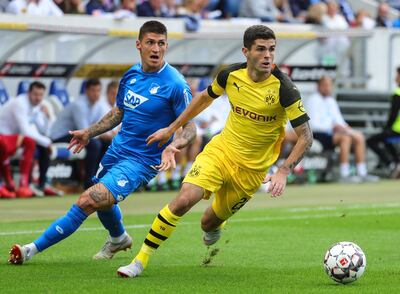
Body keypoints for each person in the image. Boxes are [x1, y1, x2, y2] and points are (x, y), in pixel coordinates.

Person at [117, 24, 313, 278]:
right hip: (221, 151)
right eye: (261, 49)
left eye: (272, 50)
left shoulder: (284, 89)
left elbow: (306, 137)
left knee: (208, 222)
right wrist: (172, 128)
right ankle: (139, 261)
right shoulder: (231, 75)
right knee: (184, 199)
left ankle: (215, 225)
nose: (268, 56)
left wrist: (284, 170)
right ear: (246, 51)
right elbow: (203, 98)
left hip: (252, 171)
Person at [9, 20, 195, 265]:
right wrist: (89, 132)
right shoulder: (131, 74)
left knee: (88, 199)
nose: (156, 49)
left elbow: (191, 127)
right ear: (139, 44)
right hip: (117, 151)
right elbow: (119, 112)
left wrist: (175, 144)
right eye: (150, 42)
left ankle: (30, 250)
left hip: (142, 161)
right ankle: (118, 238)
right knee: (103, 201)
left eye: (161, 44)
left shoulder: (176, 84)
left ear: (167, 46)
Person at [304, 76, 378, 183]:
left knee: (359, 137)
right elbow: (313, 125)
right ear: (319, 87)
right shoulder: (313, 100)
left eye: (329, 86)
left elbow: (340, 121)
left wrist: (349, 130)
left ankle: (362, 173)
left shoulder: (331, 101)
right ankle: (344, 174)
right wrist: (333, 127)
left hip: (332, 133)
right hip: (318, 135)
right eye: (325, 86)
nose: (327, 88)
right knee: (345, 138)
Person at [49, 78, 105, 189]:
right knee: (95, 144)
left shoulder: (98, 105)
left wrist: (104, 134)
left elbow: (100, 127)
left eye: (98, 90)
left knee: (106, 143)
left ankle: (101, 178)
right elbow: (84, 130)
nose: (96, 94)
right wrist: (103, 134)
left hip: (75, 134)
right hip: (59, 136)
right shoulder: (79, 105)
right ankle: (89, 182)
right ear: (86, 91)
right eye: (93, 90)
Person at [0, 81, 52, 198]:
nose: (38, 98)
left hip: (17, 139)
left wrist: (47, 117)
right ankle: (14, 184)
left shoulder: (37, 106)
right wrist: (48, 142)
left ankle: (39, 184)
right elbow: (26, 131)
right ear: (29, 93)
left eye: (40, 95)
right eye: (35, 94)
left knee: (38, 144)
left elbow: (43, 131)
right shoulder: (20, 103)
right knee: (32, 141)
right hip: (3, 136)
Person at [367, 66, 400, 178]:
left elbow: (393, 114)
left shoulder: (398, 92)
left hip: (397, 129)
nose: (395, 77)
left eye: (397, 74)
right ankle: (397, 163)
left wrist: (387, 127)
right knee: (386, 140)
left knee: (371, 141)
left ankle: (392, 164)